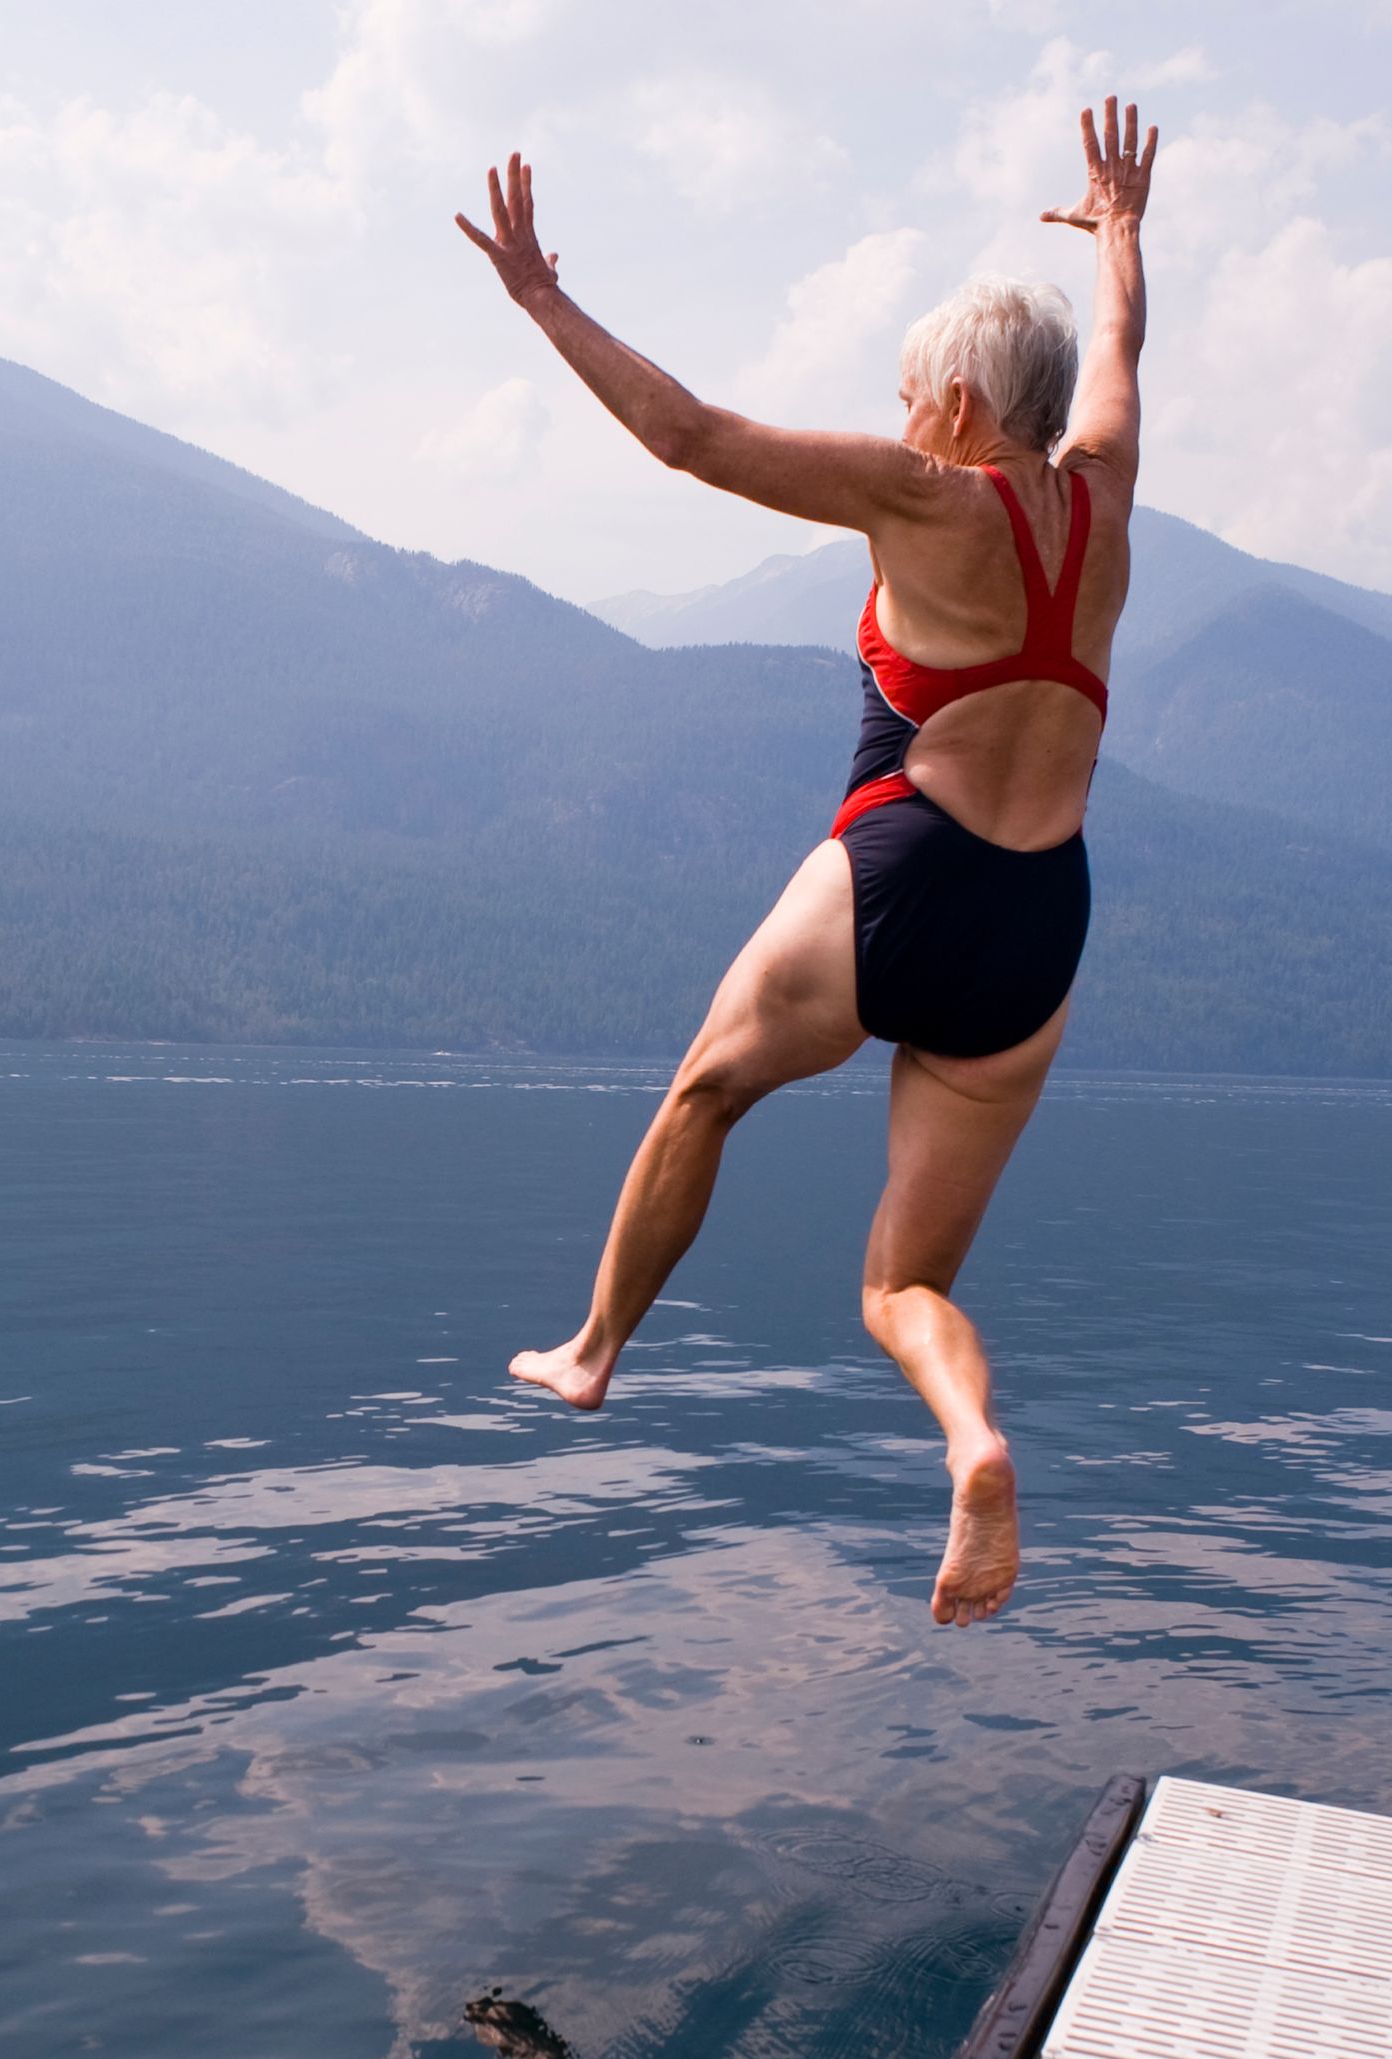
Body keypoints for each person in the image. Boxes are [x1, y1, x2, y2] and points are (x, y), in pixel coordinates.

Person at [455, 101, 1154, 1627]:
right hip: (1040, 931)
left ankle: (592, 1352)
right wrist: (1120, 235)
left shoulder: (925, 498)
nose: (901, 422)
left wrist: (541, 299)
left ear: (963, 409)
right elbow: (1121, 354)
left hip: (901, 873)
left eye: (912, 398)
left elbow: (690, 438)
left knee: (709, 1088)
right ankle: (972, 1439)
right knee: (903, 1285)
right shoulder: (1106, 488)